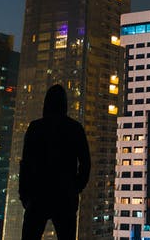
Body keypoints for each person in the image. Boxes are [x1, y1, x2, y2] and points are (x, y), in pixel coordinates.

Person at [19, 84, 91, 240]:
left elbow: (25, 164)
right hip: (64, 196)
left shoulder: (35, 128)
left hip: (38, 194)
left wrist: (25, 195)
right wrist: (75, 187)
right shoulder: (75, 128)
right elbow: (85, 163)